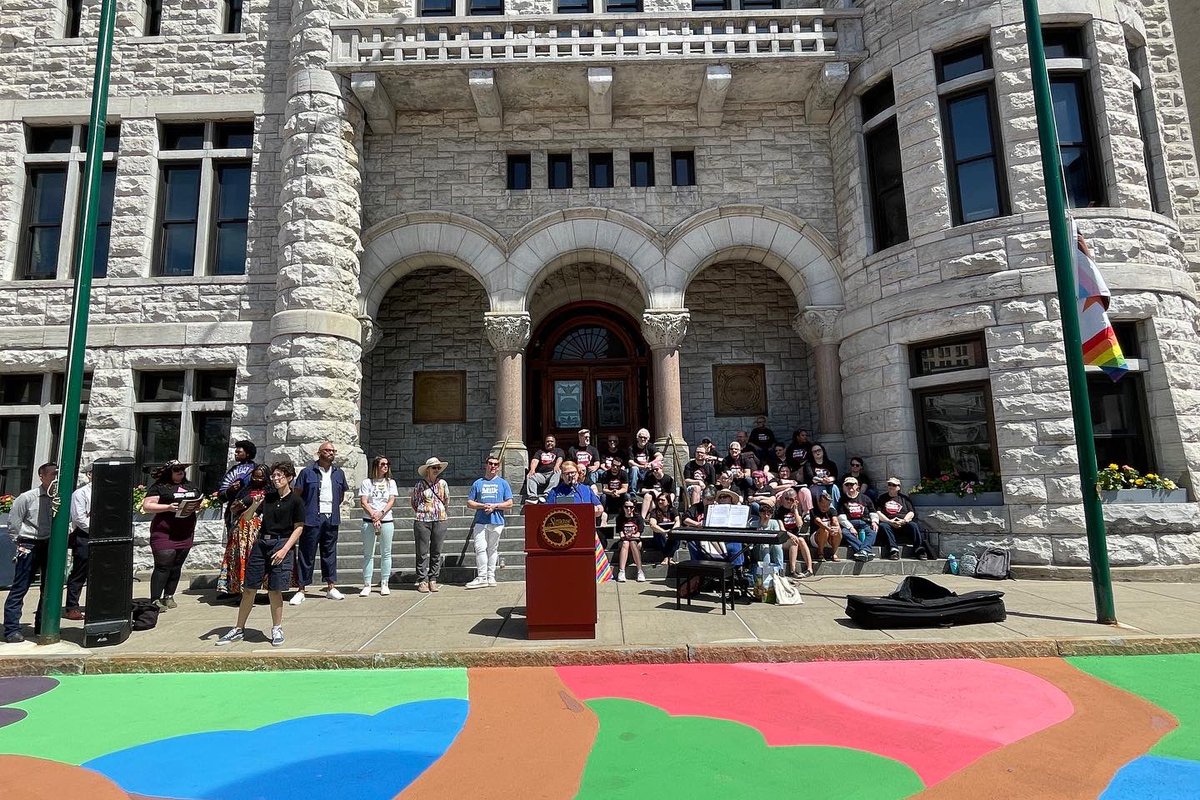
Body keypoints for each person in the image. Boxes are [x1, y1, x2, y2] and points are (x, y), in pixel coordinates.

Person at [215, 461, 306, 647]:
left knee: (274, 589)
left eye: (280, 476)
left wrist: (285, 549)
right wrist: (254, 505)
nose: (276, 479)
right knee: (249, 588)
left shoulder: (296, 500)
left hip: (281, 542)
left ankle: (277, 628)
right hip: (261, 542)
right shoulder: (268, 497)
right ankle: (239, 628)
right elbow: (247, 518)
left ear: (289, 478)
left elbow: (299, 528)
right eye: (274, 476)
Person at [4, 462, 58, 642]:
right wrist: (18, 543)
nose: (55, 479)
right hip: (29, 542)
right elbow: (14, 523)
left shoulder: (58, 498)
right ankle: (11, 629)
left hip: (49, 542)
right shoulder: (27, 498)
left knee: (48, 586)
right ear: (41, 476)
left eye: (57, 475)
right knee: (21, 586)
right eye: (51, 475)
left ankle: (42, 624)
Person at [292, 442, 350, 604]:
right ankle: (301, 589)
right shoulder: (307, 472)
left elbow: (340, 496)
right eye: (327, 450)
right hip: (311, 518)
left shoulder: (339, 473)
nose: (331, 453)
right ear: (319, 453)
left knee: (329, 553)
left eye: (333, 451)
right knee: (306, 553)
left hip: (331, 518)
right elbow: (297, 495)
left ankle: (331, 587)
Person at [143, 459, 204, 610]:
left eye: (182, 469)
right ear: (169, 472)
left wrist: (198, 505)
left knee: (176, 565)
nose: (180, 472)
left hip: (185, 531)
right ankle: (155, 598)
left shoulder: (190, 486)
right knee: (163, 564)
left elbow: (200, 501)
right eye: (177, 470)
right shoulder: (160, 487)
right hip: (164, 531)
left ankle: (169, 596)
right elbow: (147, 505)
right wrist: (168, 507)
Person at [216, 464, 269, 595]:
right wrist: (239, 505)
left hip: (261, 530)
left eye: (261, 477)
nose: (257, 480)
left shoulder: (271, 491)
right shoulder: (246, 490)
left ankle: (265, 590)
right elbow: (233, 506)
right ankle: (239, 590)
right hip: (242, 529)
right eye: (255, 477)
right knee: (240, 558)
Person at [465, 454, 513, 589]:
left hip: (497, 520)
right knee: (480, 548)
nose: (493, 466)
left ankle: (491, 576)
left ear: (498, 467)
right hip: (481, 520)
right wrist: (483, 506)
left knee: (492, 549)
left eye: (496, 464)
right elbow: (469, 502)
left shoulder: (503, 483)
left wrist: (495, 506)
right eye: (491, 464)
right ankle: (482, 577)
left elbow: (509, 503)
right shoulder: (478, 483)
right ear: (486, 465)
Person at [359, 456, 399, 596]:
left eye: (388, 464)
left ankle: (384, 582)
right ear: (376, 466)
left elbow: (391, 500)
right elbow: (364, 501)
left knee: (386, 553)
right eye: (383, 464)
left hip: (386, 519)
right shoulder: (367, 482)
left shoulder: (390, 482)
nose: (385, 466)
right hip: (369, 520)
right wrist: (373, 514)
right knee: (368, 553)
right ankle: (367, 584)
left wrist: (381, 513)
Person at [412, 456, 450, 593]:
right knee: (422, 551)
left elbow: (446, 500)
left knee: (436, 550)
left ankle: (433, 578)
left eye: (438, 468)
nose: (436, 470)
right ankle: (422, 579)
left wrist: (439, 511)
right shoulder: (419, 485)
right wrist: (424, 511)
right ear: (427, 469)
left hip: (440, 518)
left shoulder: (443, 483)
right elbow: (414, 502)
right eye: (434, 467)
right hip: (423, 519)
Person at [838, 476, 893, 561]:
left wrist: (874, 522)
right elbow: (841, 517)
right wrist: (850, 527)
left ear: (857, 486)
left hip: (864, 522)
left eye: (852, 484)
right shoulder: (842, 499)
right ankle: (865, 550)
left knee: (873, 531)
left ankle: (862, 551)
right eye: (847, 485)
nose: (850, 486)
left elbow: (873, 512)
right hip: (850, 522)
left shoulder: (865, 498)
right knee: (844, 532)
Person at [64, 462, 93, 621]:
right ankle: (72, 606)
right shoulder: (80, 493)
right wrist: (96, 529)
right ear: (89, 475)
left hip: (104, 535)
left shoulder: (108, 492)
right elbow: (79, 518)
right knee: (80, 571)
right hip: (84, 535)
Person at [877, 477, 928, 560]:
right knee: (883, 525)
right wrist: (889, 521)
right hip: (889, 523)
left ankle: (919, 550)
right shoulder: (882, 498)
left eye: (893, 485)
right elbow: (878, 513)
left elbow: (911, 512)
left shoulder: (904, 498)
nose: (891, 486)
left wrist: (904, 521)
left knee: (913, 525)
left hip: (903, 523)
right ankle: (893, 550)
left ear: (898, 487)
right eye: (889, 484)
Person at [218, 440, 258, 531]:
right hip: (233, 512)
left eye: (239, 452)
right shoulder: (232, 470)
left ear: (247, 453)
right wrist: (230, 490)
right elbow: (221, 496)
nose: (236, 454)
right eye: (235, 452)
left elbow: (262, 489)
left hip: (250, 511)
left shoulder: (256, 470)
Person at [773, 489, 814, 577]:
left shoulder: (797, 510)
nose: (788, 501)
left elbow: (800, 525)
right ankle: (793, 570)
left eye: (791, 499)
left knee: (801, 540)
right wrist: (791, 535)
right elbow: (782, 529)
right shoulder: (779, 511)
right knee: (794, 542)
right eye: (787, 499)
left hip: (796, 537)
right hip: (784, 538)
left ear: (795, 500)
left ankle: (810, 569)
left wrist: (795, 511)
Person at [613, 500, 646, 583]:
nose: (628, 509)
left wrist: (631, 536)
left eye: (631, 507)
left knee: (632, 542)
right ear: (623, 508)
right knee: (625, 542)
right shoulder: (620, 518)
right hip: (624, 541)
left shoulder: (638, 518)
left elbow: (638, 534)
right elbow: (621, 534)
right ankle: (621, 571)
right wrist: (626, 536)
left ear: (634, 508)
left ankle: (640, 571)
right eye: (626, 507)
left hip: (635, 540)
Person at [524, 435, 563, 504]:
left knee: (558, 471)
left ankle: (547, 494)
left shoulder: (558, 450)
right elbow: (535, 460)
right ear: (545, 443)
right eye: (547, 441)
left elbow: (560, 458)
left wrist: (557, 465)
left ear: (555, 443)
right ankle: (533, 497)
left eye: (551, 441)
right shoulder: (540, 452)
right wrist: (532, 469)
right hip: (541, 475)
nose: (549, 443)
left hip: (552, 473)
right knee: (530, 475)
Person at [808, 492, 843, 562]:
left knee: (838, 530)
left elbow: (835, 521)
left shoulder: (832, 510)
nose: (824, 507)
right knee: (823, 530)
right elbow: (818, 522)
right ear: (819, 503)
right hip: (816, 538)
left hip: (829, 537)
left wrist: (836, 528)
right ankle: (820, 553)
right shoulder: (813, 510)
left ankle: (834, 552)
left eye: (827, 505)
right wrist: (828, 529)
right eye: (823, 504)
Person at [646, 492, 679, 565]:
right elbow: (652, 525)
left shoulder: (673, 510)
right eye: (658, 500)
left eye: (662, 500)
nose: (660, 502)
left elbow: (678, 522)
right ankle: (668, 557)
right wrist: (664, 532)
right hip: (660, 536)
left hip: (671, 534)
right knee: (659, 534)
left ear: (668, 502)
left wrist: (671, 531)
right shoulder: (654, 512)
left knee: (675, 535)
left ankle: (668, 557)